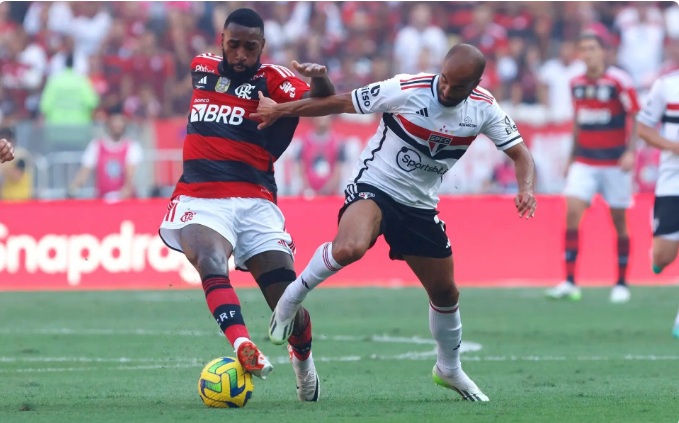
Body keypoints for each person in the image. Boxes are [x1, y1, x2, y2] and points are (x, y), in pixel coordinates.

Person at [254, 43, 537, 402]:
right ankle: (291, 299)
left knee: (446, 293)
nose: (447, 90)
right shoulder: (407, 88)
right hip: (376, 184)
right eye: (444, 80)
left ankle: (449, 369)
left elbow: (521, 153)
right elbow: (340, 102)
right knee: (350, 247)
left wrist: (527, 188)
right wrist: (281, 109)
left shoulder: (484, 108)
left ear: (476, 84)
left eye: (458, 87)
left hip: (419, 204)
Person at [158, 8, 335, 401]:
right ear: (222, 40)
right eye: (233, 45)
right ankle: (242, 346)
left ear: (262, 47)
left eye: (249, 47)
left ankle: (303, 362)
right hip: (200, 196)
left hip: (255, 200)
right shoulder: (201, 66)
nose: (240, 54)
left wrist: (317, 81)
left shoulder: (275, 79)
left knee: (284, 301)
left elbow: (325, 103)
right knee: (208, 259)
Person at [546, 33, 640, 303]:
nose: (588, 54)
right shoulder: (576, 84)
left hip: (615, 163)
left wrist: (631, 152)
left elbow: (635, 115)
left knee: (619, 221)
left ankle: (622, 282)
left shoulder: (619, 82)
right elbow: (579, 119)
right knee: (572, 212)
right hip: (585, 161)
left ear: (603, 52)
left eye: (592, 48)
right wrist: (571, 156)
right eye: (583, 49)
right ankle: (570, 281)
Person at [635, 70, 679, 337]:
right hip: (672, 179)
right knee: (664, 256)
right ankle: (659, 255)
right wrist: (674, 147)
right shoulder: (667, 86)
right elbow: (643, 129)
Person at [68, 112, 142, 200]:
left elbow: (129, 177)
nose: (117, 125)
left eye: (121, 121)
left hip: (125, 200)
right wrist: (73, 188)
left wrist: (118, 196)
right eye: (115, 121)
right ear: (108, 123)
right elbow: (84, 172)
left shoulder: (132, 147)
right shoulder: (96, 146)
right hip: (102, 199)